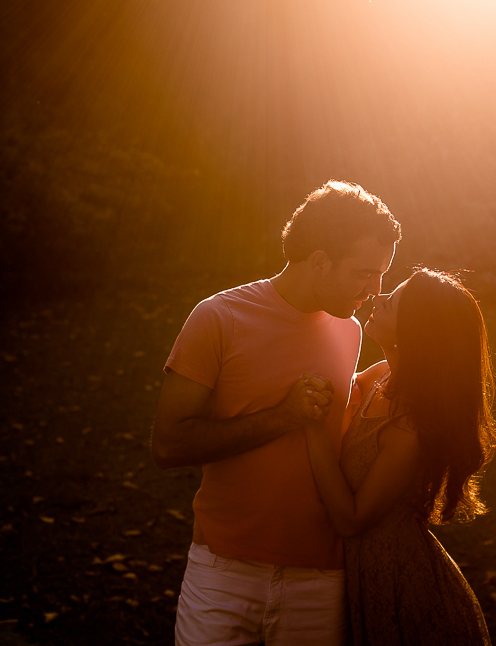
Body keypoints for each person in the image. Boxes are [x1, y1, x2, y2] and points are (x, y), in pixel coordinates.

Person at [151, 180, 402, 646]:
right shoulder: (217, 318)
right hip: (223, 570)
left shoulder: (349, 331)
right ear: (321, 261)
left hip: (322, 576)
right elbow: (168, 445)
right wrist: (281, 417)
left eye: (381, 274)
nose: (376, 289)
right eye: (365, 273)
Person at [299, 268, 496, 645]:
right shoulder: (380, 377)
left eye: (394, 302)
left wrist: (312, 429)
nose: (379, 298)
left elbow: (352, 519)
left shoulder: (410, 426)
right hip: (359, 573)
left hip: (400, 583)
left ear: (417, 330)